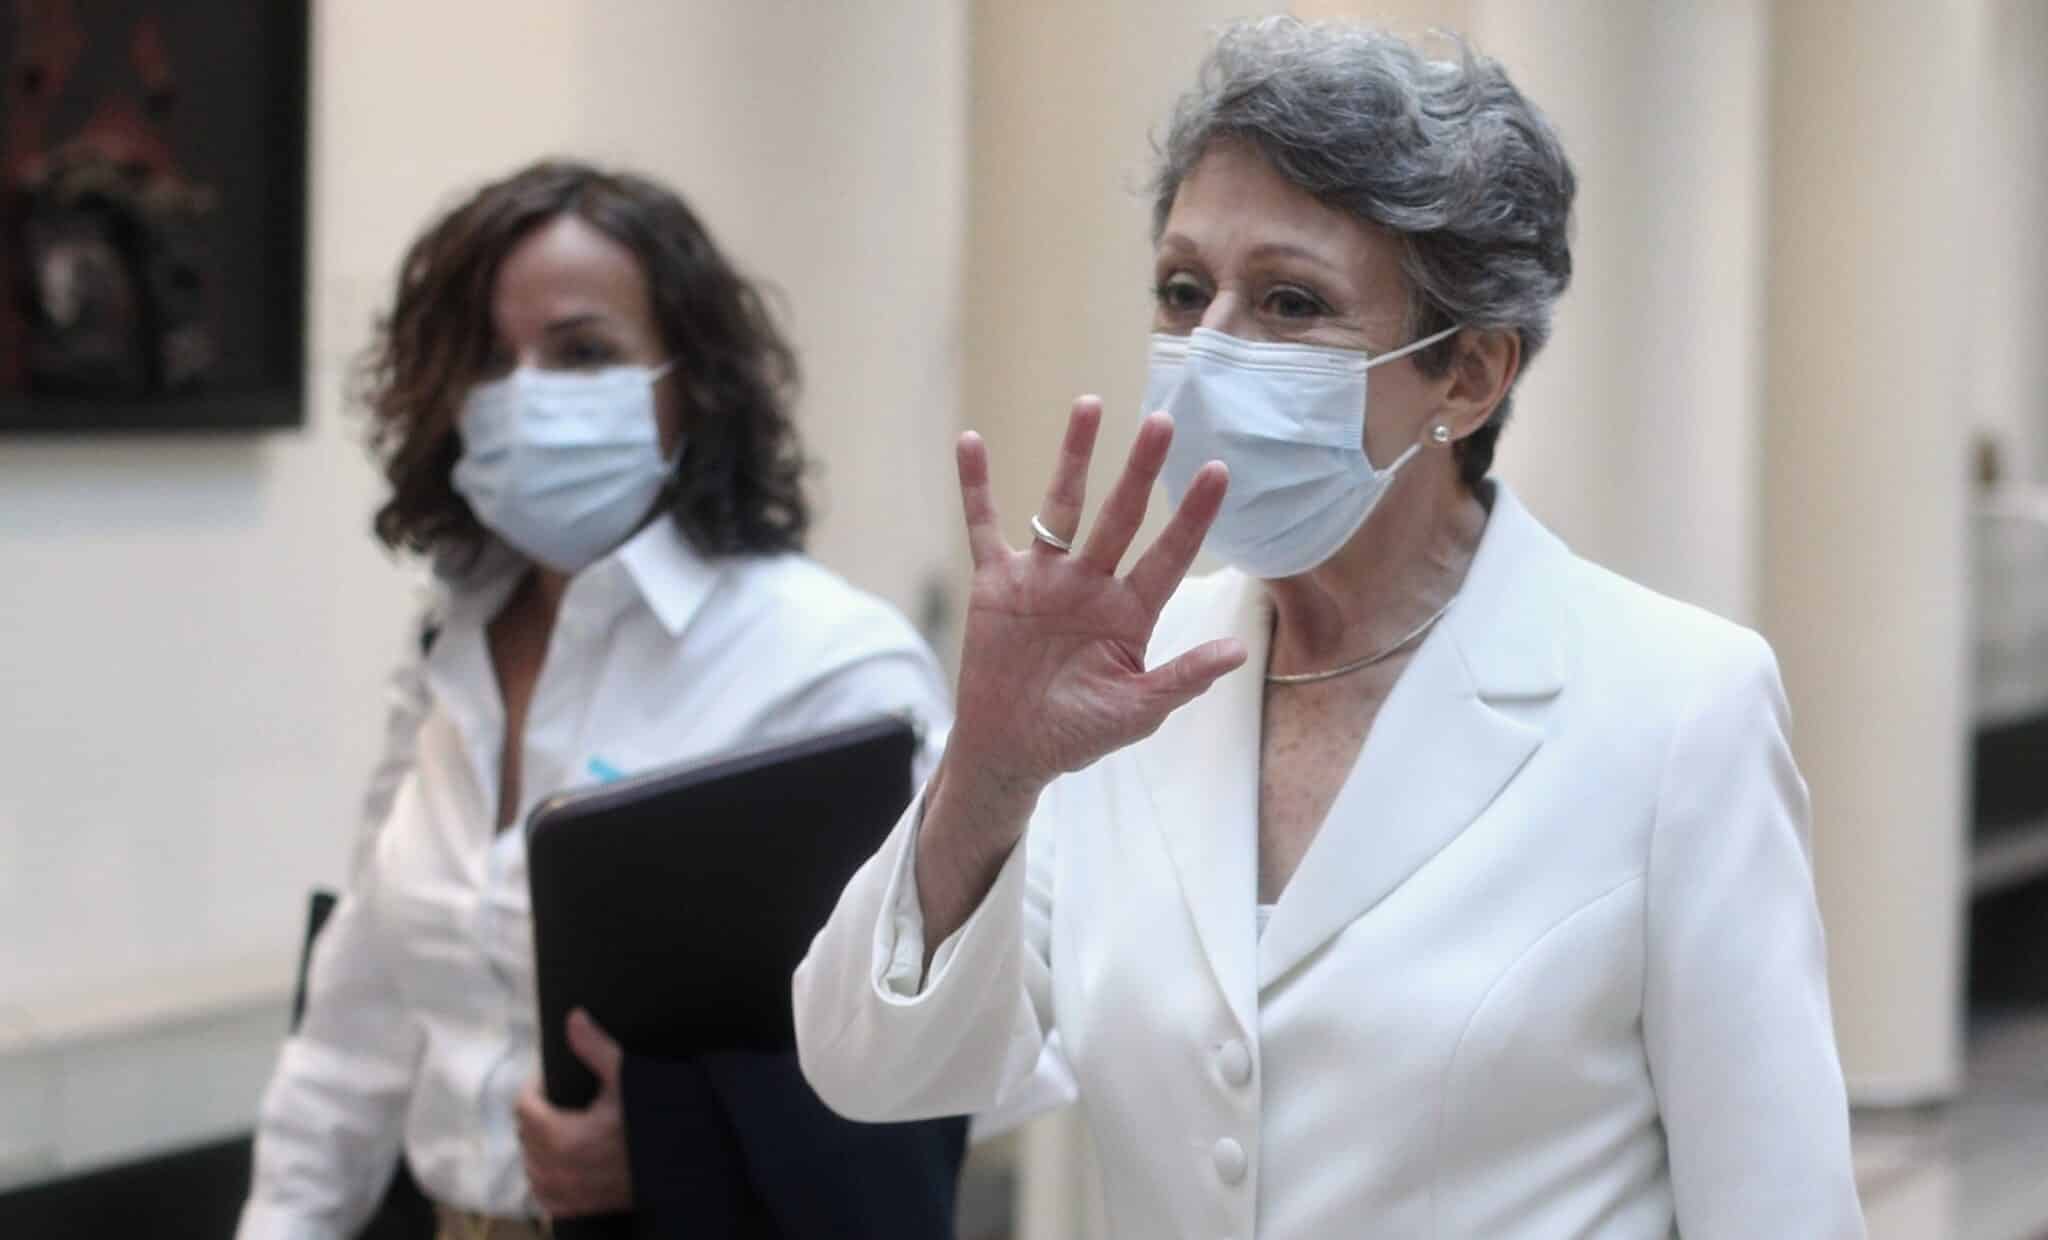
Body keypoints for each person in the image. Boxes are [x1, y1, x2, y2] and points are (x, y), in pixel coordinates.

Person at [794, 19, 1866, 1239]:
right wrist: (984, 779)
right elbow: (866, 1070)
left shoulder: (1675, 706)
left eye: (1289, 302)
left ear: (1466, 375)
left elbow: (1778, 1205)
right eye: (1183, 289)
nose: (1205, 352)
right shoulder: (1122, 683)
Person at [238, 161, 966, 1240]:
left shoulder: (827, 662)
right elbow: (355, 1033)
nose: (524, 392)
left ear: (692, 384)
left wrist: (678, 1144)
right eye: (488, 357)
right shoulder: (446, 650)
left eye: (582, 353)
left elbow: (944, 1051)